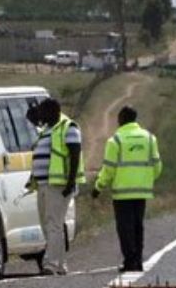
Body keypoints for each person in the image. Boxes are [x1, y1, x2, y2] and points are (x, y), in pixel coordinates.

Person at [91, 106, 162, 273]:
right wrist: (146, 180)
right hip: (142, 191)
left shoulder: (115, 141)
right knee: (138, 226)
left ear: (121, 119)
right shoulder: (149, 139)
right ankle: (138, 260)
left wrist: (98, 186)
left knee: (125, 228)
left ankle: (130, 261)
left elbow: (108, 169)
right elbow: (157, 166)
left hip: (122, 193)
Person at [30, 98, 85, 275]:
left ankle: (50, 264)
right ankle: (60, 264)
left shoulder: (69, 127)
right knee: (50, 225)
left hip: (58, 184)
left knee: (53, 224)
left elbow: (75, 154)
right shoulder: (47, 130)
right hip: (43, 184)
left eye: (42, 111)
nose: (40, 115)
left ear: (53, 111)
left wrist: (70, 182)